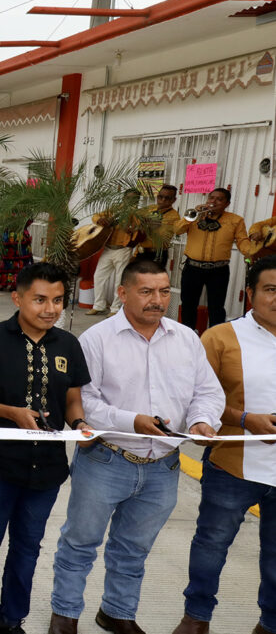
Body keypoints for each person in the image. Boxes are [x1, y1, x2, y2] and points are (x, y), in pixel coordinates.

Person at [47, 259, 223, 634]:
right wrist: (133, 420)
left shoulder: (187, 338)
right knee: (80, 542)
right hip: (107, 459)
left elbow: (206, 392)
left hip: (163, 465)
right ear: (123, 293)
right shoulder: (97, 339)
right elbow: (84, 401)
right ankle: (64, 615)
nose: (157, 300)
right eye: (146, 292)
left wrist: (201, 420)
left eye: (163, 291)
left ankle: (117, 613)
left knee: (133, 548)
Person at [0, 263, 91, 634]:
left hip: (47, 471)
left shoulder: (69, 344)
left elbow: (73, 399)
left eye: (58, 301)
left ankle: (11, 619)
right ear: (17, 298)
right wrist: (11, 414)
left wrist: (79, 424)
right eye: (39, 300)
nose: (50, 309)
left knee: (28, 546)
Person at [170, 254, 276, 634]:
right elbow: (194, 398)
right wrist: (246, 420)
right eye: (270, 289)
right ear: (250, 293)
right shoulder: (220, 337)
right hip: (233, 465)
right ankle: (196, 617)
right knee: (211, 546)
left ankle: (270, 623)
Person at [174, 187, 255, 329]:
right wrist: (191, 217)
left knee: (216, 307)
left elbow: (242, 240)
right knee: (188, 304)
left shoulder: (235, 220)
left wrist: (250, 251)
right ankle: (187, 337)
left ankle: (215, 339)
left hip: (219, 270)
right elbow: (177, 230)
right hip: (192, 268)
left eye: (219, 199)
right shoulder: (195, 216)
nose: (214, 201)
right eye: (211, 198)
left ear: (227, 203)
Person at [86, 189, 142, 316]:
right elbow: (95, 216)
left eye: (134, 199)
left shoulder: (137, 214)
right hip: (108, 248)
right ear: (123, 198)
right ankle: (98, 305)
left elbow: (140, 231)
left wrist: (132, 230)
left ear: (138, 201)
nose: (130, 201)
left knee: (119, 280)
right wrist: (100, 221)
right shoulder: (115, 209)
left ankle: (115, 309)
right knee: (98, 276)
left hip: (123, 250)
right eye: (128, 198)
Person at [133, 185, 181, 267]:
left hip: (157, 255)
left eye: (167, 198)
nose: (163, 200)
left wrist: (147, 226)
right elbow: (133, 220)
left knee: (152, 280)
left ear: (174, 200)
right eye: (160, 197)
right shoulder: (150, 208)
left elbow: (162, 238)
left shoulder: (174, 216)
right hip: (141, 252)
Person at [0, 225, 34, 292]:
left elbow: (28, 221)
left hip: (19, 235)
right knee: (4, 259)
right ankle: (3, 282)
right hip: (6, 235)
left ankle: (14, 283)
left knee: (17, 259)